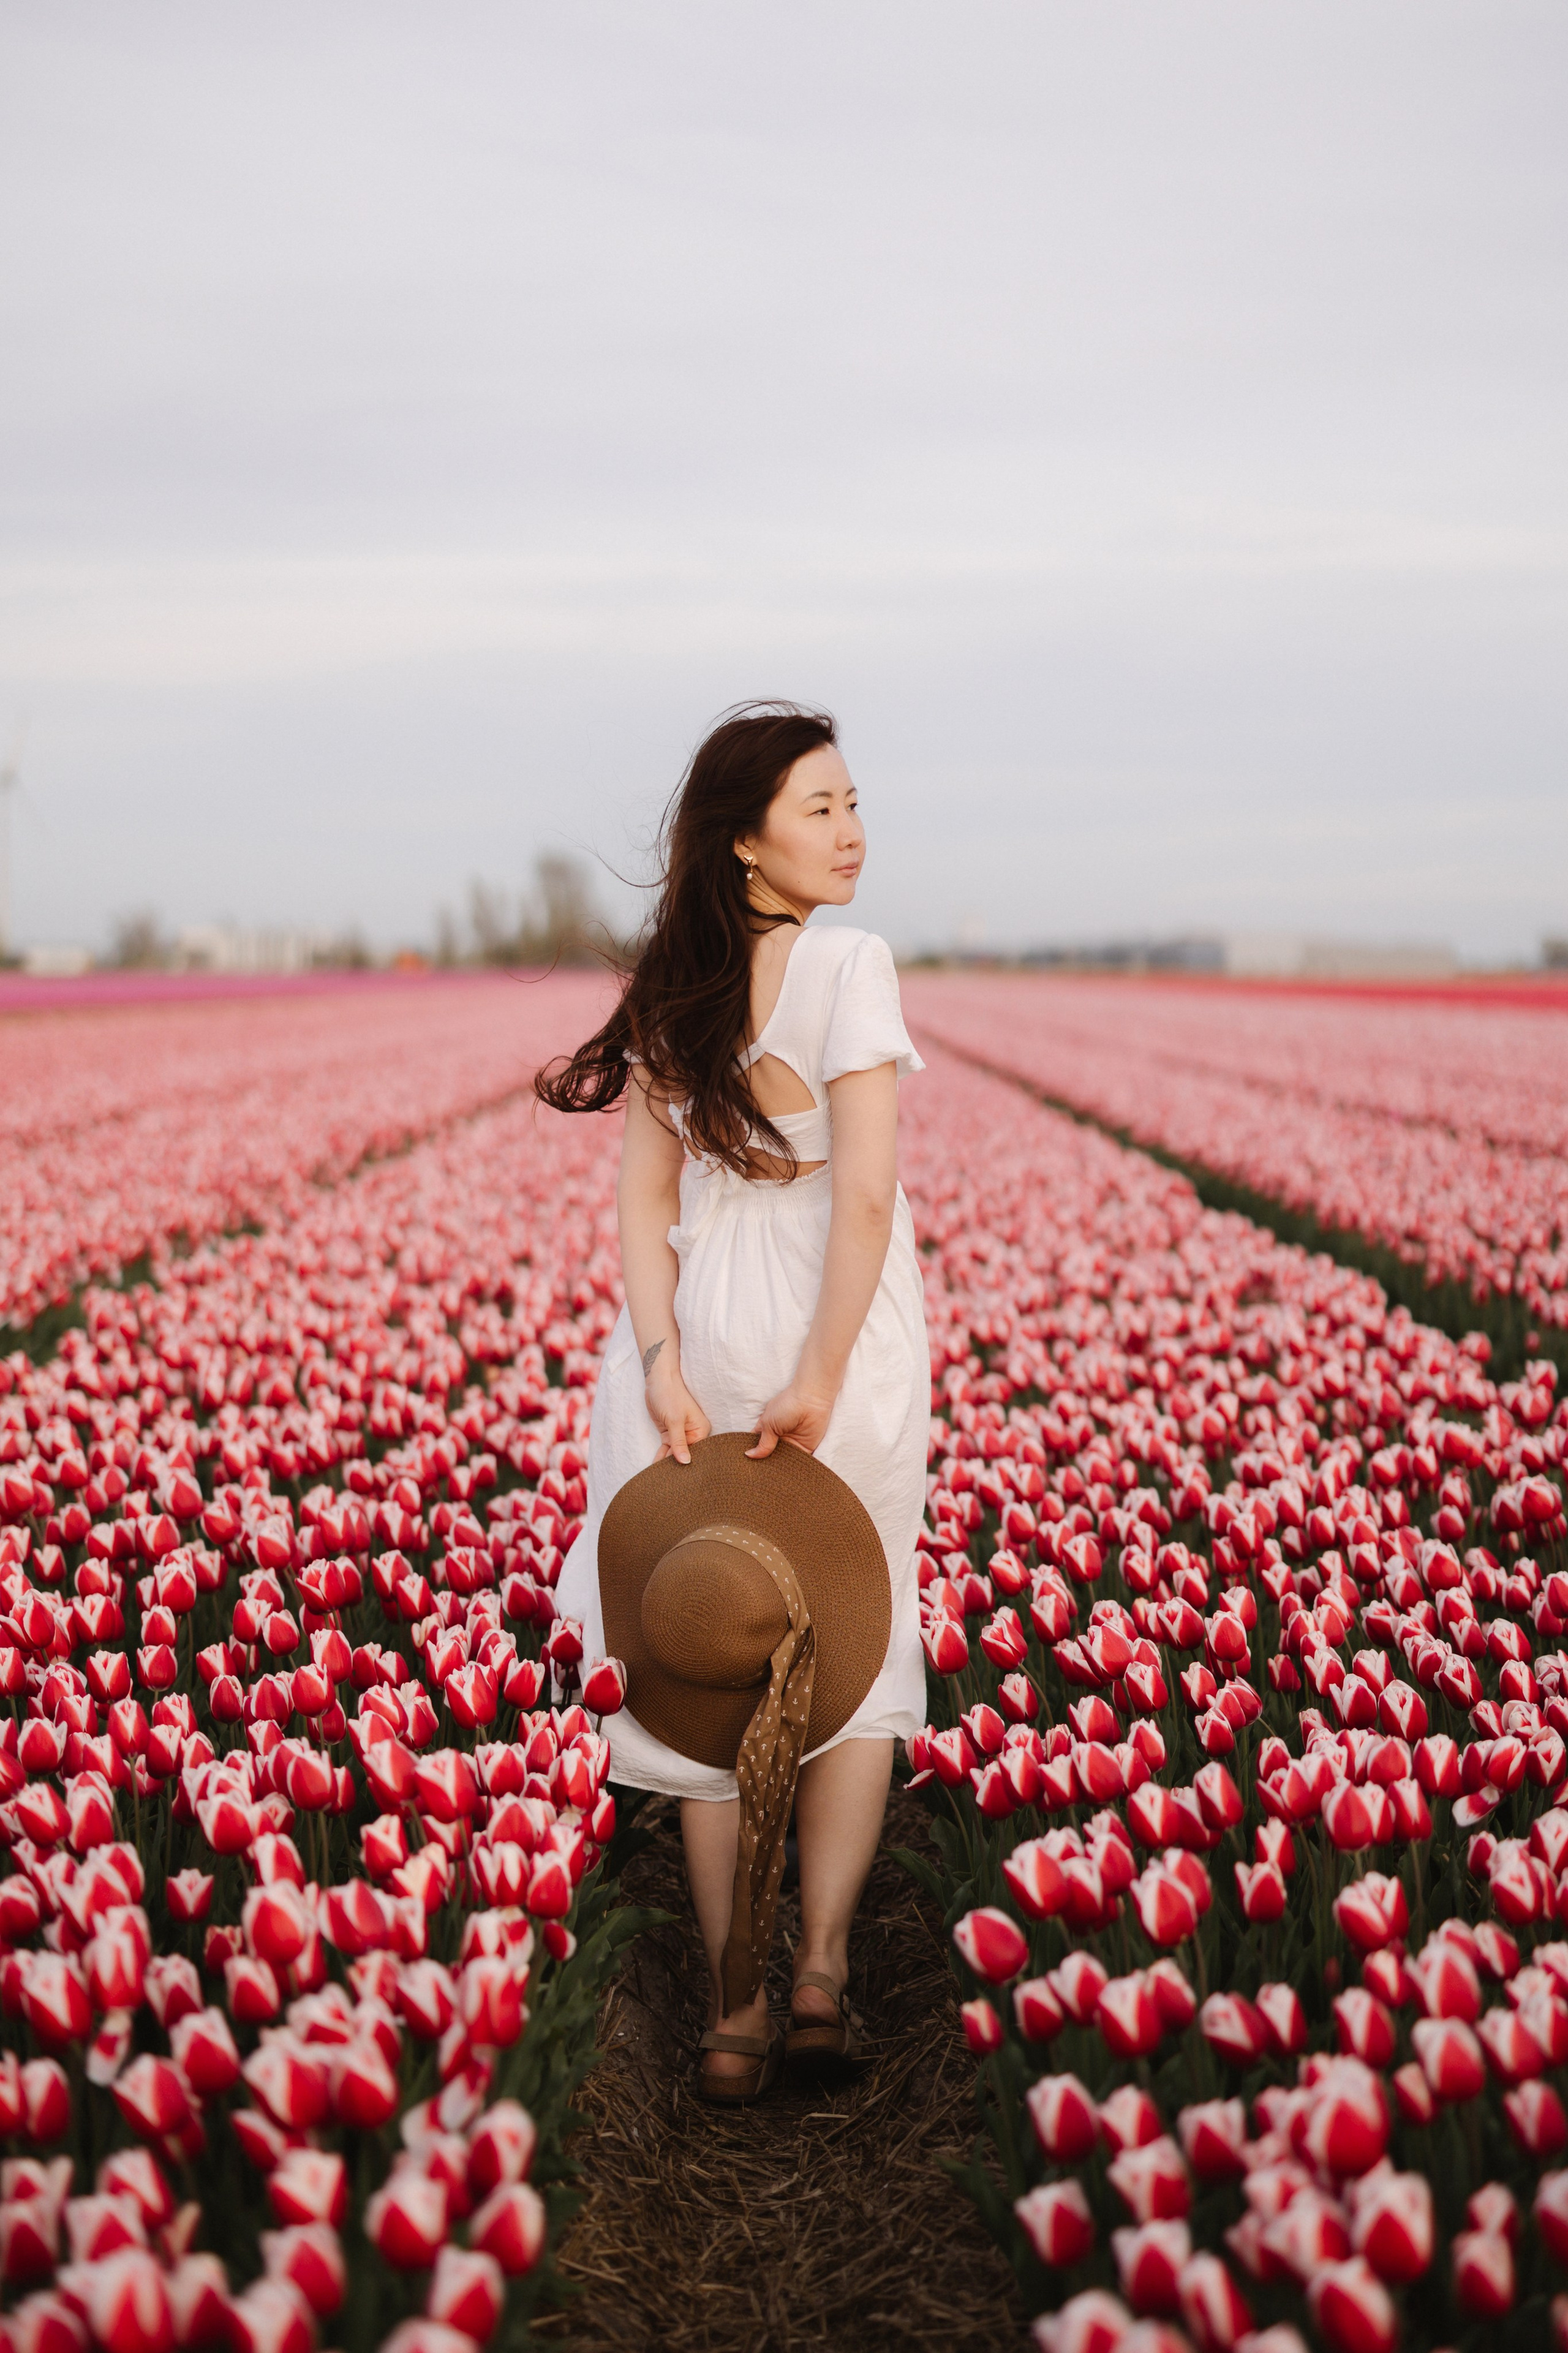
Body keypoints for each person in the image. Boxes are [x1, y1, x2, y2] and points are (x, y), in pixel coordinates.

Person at [537, 703, 929, 2097]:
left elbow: (643, 1205)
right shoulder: (851, 965)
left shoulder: (671, 987)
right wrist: (822, 1371)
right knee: (850, 1656)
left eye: (850, 800)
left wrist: (656, 1362)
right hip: (840, 1328)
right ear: (745, 845)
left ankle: (734, 2000)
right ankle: (821, 1968)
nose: (849, 828)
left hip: (698, 1338)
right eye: (817, 806)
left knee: (699, 1660)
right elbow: (867, 1193)